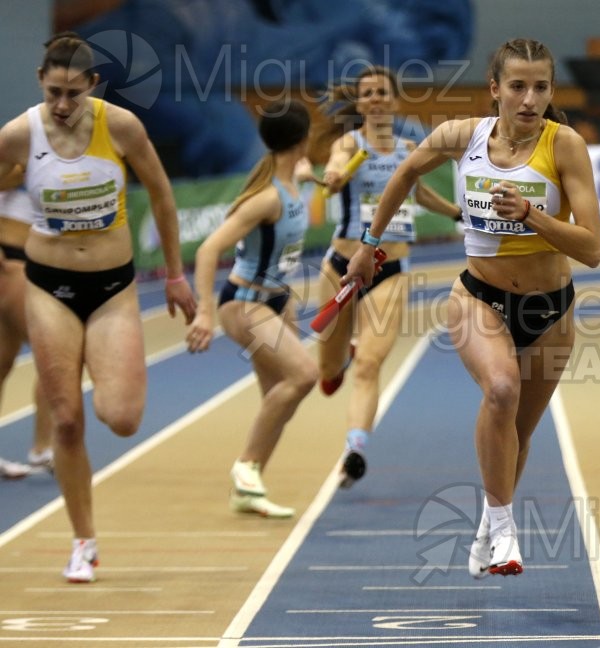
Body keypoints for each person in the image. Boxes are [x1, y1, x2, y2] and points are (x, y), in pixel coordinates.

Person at [345, 38, 600, 576]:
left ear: (551, 91)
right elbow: (405, 174)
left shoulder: (565, 146)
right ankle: (507, 532)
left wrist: (533, 216)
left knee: (519, 434)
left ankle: (490, 522)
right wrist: (370, 245)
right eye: (517, 86)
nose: (529, 99)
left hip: (551, 309)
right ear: (495, 90)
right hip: (478, 297)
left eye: (540, 87)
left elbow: (593, 248)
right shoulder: (463, 136)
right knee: (501, 389)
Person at [0, 32, 196, 583]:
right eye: (53, 92)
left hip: (112, 287)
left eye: (73, 94)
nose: (62, 106)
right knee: (65, 420)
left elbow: (160, 193)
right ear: (41, 80)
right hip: (47, 286)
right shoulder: (20, 134)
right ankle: (83, 541)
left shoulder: (121, 127)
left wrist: (177, 275)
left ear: (92, 85)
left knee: (122, 418)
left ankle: (99, 361)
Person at [315, 66, 462, 489]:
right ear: (360, 104)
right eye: (368, 94)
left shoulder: (408, 150)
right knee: (329, 370)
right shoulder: (349, 144)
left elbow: (417, 191)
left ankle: (354, 449)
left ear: (394, 100)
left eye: (383, 92)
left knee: (369, 365)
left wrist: (454, 212)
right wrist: (334, 174)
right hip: (341, 268)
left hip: (391, 269)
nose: (376, 99)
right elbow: (336, 167)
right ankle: (336, 358)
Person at [186, 98, 318, 519]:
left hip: (279, 300)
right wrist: (204, 312)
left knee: (277, 400)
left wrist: (312, 174)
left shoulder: (295, 178)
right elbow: (208, 250)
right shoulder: (265, 198)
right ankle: (245, 468)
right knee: (304, 375)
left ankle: (249, 486)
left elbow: (301, 175)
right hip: (246, 303)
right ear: (303, 138)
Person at [0, 176, 53, 479]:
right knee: (54, 353)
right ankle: (42, 448)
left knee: (2, 364)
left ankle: (42, 448)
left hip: (25, 254)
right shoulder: (18, 146)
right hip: (12, 261)